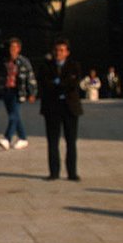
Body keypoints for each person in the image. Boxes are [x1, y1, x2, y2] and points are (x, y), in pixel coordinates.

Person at [39, 38, 83, 181]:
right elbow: (45, 85)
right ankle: (54, 172)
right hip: (52, 108)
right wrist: (60, 83)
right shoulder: (46, 66)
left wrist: (57, 82)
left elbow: (73, 84)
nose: (59, 53)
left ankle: (72, 172)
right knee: (52, 142)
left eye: (62, 50)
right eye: (57, 50)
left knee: (71, 142)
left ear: (67, 52)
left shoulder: (74, 66)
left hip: (70, 108)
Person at [0, 37, 38, 150]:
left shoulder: (24, 62)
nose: (12, 50)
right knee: (14, 116)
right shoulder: (4, 61)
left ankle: (7, 138)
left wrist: (32, 92)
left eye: (15, 47)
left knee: (13, 115)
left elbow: (31, 77)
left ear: (19, 49)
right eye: (11, 47)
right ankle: (23, 138)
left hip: (18, 91)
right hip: (6, 90)